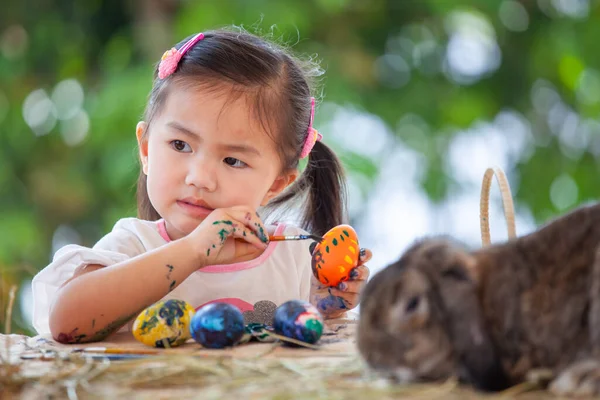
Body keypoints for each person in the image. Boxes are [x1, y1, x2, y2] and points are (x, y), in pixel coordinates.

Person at [31, 29, 372, 344]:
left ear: (276, 184)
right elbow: (66, 323)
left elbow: (317, 333)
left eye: (233, 161)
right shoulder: (133, 248)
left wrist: (335, 301)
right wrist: (194, 251)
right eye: (180, 145)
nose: (200, 178)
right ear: (147, 150)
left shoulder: (294, 261)